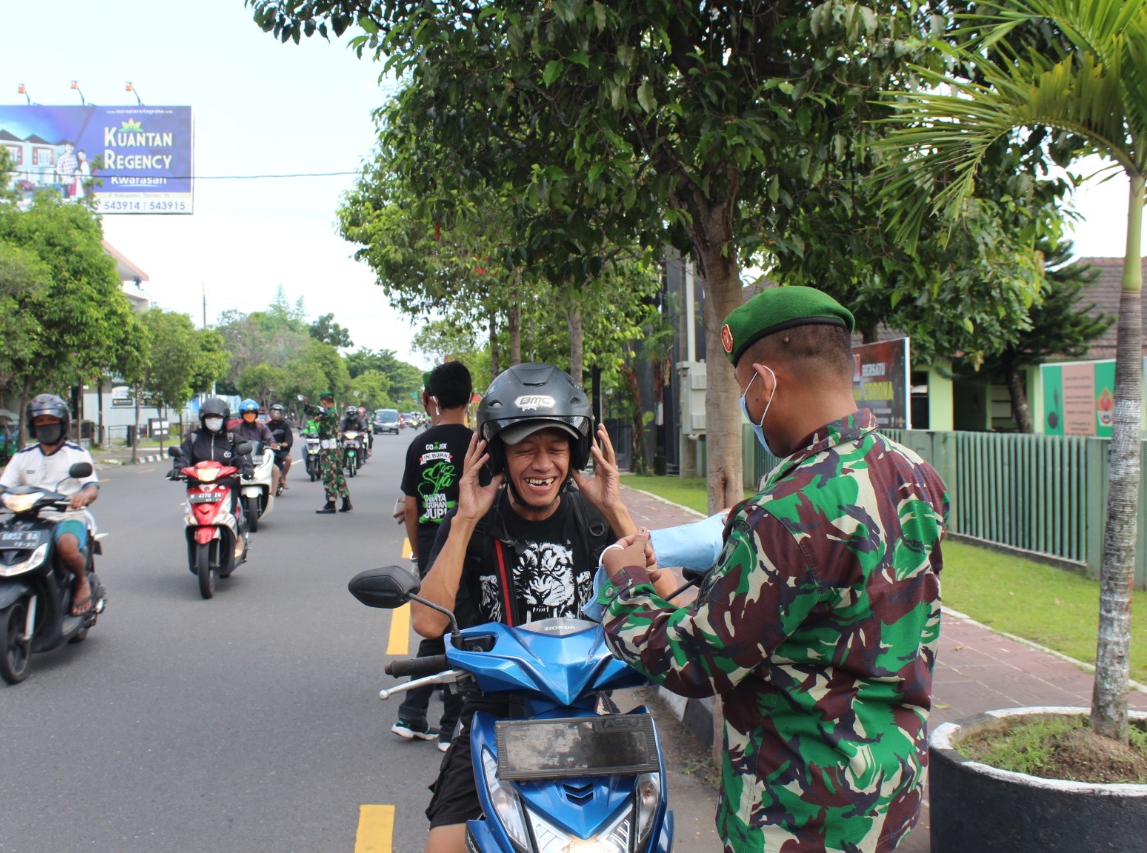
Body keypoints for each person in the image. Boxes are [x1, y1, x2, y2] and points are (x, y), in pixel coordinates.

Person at [597, 286, 950, 853]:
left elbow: (692, 663)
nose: (747, 407)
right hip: (888, 790)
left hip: (799, 814)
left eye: (743, 392)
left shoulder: (787, 513)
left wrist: (625, 583)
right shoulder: (914, 473)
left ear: (765, 384)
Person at [414, 362, 637, 853]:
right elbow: (428, 620)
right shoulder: (473, 526)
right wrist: (465, 518)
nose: (542, 464)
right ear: (498, 457)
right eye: (525, 450)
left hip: (585, 709)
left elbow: (659, 599)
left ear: (574, 454)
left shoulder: (597, 523)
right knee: (444, 845)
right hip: (496, 712)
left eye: (555, 449)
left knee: (643, 832)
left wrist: (616, 509)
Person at [390, 362, 474, 750]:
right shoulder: (476, 444)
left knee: (435, 629)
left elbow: (410, 505)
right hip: (467, 553)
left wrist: (420, 552)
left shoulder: (419, 445)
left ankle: (411, 715)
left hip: (430, 551)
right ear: (472, 398)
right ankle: (449, 727)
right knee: (463, 632)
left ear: (432, 401)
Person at [0, 394, 100, 616]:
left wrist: (83, 496)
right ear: (32, 426)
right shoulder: (23, 456)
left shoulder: (76, 454)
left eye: (50, 420)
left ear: (62, 423)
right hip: (28, 519)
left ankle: (80, 582)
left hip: (66, 516)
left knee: (67, 546)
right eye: (39, 422)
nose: (45, 426)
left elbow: (92, 487)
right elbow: (3, 488)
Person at [172, 397, 254, 560]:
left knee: (234, 511)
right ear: (203, 419)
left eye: (217, 417)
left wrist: (246, 467)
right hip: (197, 485)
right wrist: (177, 469)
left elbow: (242, 455)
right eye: (209, 417)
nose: (213, 421)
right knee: (192, 516)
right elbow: (183, 458)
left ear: (224, 419)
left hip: (226, 485)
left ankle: (238, 538)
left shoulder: (232, 439)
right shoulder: (193, 439)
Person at [314, 391, 352, 514]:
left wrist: (306, 405)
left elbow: (314, 413)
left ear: (325, 401)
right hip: (335, 448)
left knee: (328, 475)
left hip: (328, 449)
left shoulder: (329, 413)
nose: (321, 404)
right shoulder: (333, 412)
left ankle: (331, 503)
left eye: (322, 401)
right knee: (338, 475)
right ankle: (346, 501)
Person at [266, 403, 295, 492]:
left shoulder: (285, 426)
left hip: (280, 450)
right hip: (268, 449)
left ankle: (282, 478)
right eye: (274, 412)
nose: (276, 414)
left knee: (288, 459)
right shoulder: (267, 426)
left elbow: (289, 438)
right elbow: (262, 436)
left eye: (278, 412)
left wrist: (286, 443)